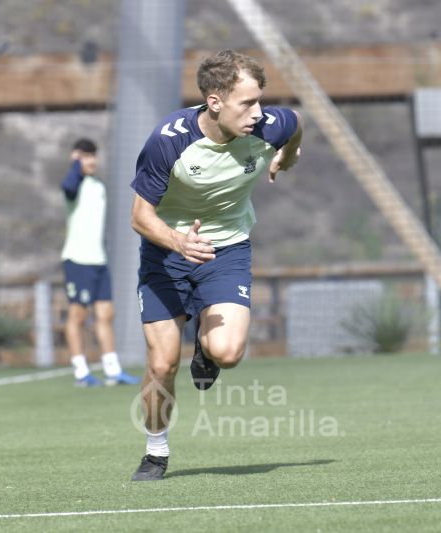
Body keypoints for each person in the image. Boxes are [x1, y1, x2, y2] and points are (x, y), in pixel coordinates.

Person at [128, 50, 304, 480]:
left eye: (260, 100)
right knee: (162, 364)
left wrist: (289, 155)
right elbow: (139, 217)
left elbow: (295, 124)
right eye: (247, 103)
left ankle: (205, 349)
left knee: (227, 353)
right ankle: (155, 452)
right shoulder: (168, 141)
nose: (258, 112)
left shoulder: (268, 127)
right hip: (167, 254)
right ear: (214, 102)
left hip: (227, 251)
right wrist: (177, 241)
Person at [60, 138, 139, 387]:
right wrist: (75, 165)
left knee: (106, 314)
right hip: (78, 260)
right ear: (76, 158)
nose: (91, 160)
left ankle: (112, 370)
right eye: (85, 156)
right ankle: (81, 372)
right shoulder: (73, 183)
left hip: (98, 261)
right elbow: (69, 187)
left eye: (93, 155)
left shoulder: (98, 185)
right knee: (78, 316)